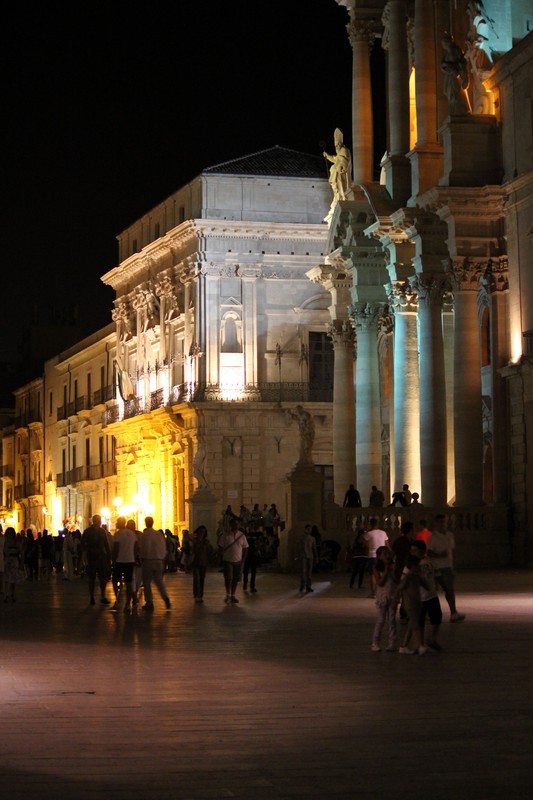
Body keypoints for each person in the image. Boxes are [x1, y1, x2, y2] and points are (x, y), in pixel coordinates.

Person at [427, 515, 466, 622]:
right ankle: (429, 612)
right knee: (432, 591)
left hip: (448, 566)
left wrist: (454, 563)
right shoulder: (432, 537)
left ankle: (453, 612)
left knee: (449, 590)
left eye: (444, 522)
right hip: (437, 567)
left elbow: (452, 550)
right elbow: (429, 552)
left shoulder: (449, 535)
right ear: (435, 524)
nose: (442, 524)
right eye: (440, 522)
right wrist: (439, 555)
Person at [411, 539, 443, 651]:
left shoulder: (430, 562)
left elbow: (438, 575)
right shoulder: (412, 565)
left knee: (437, 617)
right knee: (420, 621)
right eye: (412, 551)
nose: (414, 553)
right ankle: (420, 644)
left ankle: (432, 639)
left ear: (423, 551)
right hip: (419, 597)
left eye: (416, 551)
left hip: (431, 595)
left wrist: (439, 585)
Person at [398, 554, 429, 655]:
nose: (419, 567)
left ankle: (403, 646)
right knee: (415, 624)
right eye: (418, 565)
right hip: (410, 604)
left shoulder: (417, 577)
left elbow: (427, 586)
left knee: (412, 625)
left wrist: (422, 577)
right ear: (413, 566)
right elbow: (400, 587)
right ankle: (420, 645)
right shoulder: (407, 577)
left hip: (417, 603)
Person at [139, 516, 171, 611]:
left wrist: (142, 557)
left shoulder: (145, 535)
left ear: (146, 523)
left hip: (148, 560)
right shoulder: (158, 534)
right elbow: (163, 547)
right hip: (159, 560)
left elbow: (144, 548)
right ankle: (165, 597)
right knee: (159, 581)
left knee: (147, 582)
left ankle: (149, 602)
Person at [371, 546, 399, 652]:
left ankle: (392, 643)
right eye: (384, 553)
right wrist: (387, 571)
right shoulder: (376, 568)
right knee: (381, 620)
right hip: (382, 595)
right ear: (379, 556)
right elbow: (380, 583)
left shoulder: (394, 566)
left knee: (392, 620)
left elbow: (397, 580)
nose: (387, 555)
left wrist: (393, 570)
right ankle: (375, 642)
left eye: (388, 553)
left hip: (392, 594)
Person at [323, 128, 352, 223]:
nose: (336, 146)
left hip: (342, 174)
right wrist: (327, 156)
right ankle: (339, 197)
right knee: (336, 187)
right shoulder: (340, 152)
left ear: (340, 144)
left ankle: (342, 197)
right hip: (338, 174)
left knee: (340, 185)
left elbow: (344, 161)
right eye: (335, 145)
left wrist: (338, 168)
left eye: (337, 144)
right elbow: (335, 159)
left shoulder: (344, 150)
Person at [81, 514, 111, 605]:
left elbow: (106, 544)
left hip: (101, 556)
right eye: (98, 520)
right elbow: (82, 544)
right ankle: (92, 597)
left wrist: (108, 557)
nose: (99, 522)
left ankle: (102, 595)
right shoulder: (88, 531)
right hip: (92, 557)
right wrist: (88, 550)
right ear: (94, 521)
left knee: (103, 578)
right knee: (92, 578)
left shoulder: (102, 531)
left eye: (100, 520)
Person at [111, 516, 139, 612]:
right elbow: (136, 548)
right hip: (130, 561)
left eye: (117, 522)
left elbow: (116, 548)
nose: (116, 523)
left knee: (115, 581)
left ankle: (118, 600)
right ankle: (127, 604)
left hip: (119, 561)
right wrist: (134, 558)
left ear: (121, 523)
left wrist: (113, 560)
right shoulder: (132, 534)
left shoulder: (118, 534)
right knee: (129, 583)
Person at [218, 518, 248, 604]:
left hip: (238, 561)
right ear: (231, 525)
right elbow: (220, 547)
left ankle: (233, 595)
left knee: (235, 578)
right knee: (228, 578)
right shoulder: (225, 535)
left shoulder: (242, 536)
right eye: (234, 524)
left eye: (237, 524)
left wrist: (243, 559)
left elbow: (245, 547)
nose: (236, 525)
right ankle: (228, 595)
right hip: (227, 560)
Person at [441, 32, 471, 115]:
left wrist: (451, 67)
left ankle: (459, 111)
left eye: (444, 43)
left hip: (454, 76)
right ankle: (454, 111)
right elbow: (443, 65)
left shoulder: (456, 51)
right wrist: (445, 66)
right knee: (450, 93)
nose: (443, 46)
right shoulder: (446, 54)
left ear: (448, 43)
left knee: (456, 94)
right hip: (449, 76)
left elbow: (461, 64)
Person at [392, 521, 414, 623]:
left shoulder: (400, 541)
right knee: (406, 593)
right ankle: (404, 613)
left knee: (406, 593)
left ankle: (405, 613)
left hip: (402, 569)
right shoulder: (409, 542)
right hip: (404, 569)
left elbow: (392, 555)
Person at [364, 518, 390, 597]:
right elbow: (387, 545)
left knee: (373, 574)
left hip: (372, 555)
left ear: (370, 524)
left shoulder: (368, 534)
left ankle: (374, 593)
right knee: (384, 573)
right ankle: (384, 591)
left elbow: (365, 545)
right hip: (382, 556)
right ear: (378, 524)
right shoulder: (383, 533)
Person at [191, 525, 213, 603]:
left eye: (203, 532)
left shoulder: (206, 542)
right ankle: (196, 594)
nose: (201, 533)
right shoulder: (194, 541)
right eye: (200, 532)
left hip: (203, 563)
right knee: (197, 579)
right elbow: (192, 551)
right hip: (195, 562)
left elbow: (209, 551)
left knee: (201, 580)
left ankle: (200, 595)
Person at [3, 527, 24, 602]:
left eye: (11, 533)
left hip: (14, 560)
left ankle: (12, 595)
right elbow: (5, 551)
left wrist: (21, 562)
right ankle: (6, 595)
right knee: (7, 579)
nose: (10, 534)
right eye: (8, 533)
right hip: (8, 561)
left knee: (13, 579)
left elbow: (21, 552)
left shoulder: (16, 542)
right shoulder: (5, 541)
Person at [298, 524, 317, 593]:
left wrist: (316, 556)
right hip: (303, 556)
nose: (309, 530)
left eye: (310, 529)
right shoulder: (302, 538)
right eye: (308, 529)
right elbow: (299, 548)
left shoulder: (312, 538)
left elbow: (314, 548)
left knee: (309, 573)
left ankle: (308, 586)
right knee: (303, 572)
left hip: (310, 556)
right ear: (305, 529)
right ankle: (302, 586)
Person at [243, 525, 259, 593]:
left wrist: (257, 550)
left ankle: (252, 585)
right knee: (246, 571)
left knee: (253, 571)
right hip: (247, 555)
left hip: (253, 554)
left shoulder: (255, 535)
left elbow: (257, 543)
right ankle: (245, 583)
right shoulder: (245, 534)